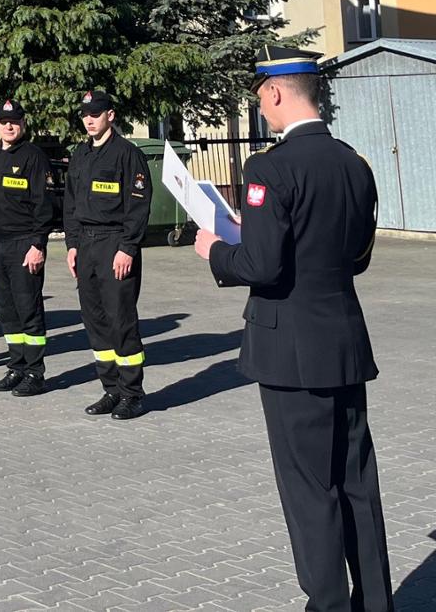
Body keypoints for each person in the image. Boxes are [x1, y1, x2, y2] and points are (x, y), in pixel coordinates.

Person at [193, 53, 391, 611]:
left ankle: (327, 605)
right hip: (344, 342)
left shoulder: (269, 168)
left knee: (309, 491)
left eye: (259, 97)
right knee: (356, 481)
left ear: (277, 94)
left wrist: (217, 249)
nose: (260, 107)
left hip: (289, 350)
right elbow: (357, 257)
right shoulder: (355, 163)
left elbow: (261, 267)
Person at [64, 89, 152, 421]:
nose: (89, 119)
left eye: (96, 114)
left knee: (121, 320)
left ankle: (132, 393)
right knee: (96, 320)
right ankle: (111, 389)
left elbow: (138, 204)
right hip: (86, 245)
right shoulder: (80, 154)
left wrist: (127, 247)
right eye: (85, 114)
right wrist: (72, 244)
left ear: (110, 116)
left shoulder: (127, 154)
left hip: (115, 243)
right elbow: (70, 203)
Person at [0, 99, 56, 397]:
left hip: (24, 243)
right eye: (3, 121)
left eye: (14, 121)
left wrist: (39, 244)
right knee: (6, 309)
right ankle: (17, 366)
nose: (8, 126)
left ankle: (35, 372)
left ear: (23, 123)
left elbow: (44, 205)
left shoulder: (33, 157)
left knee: (28, 307)